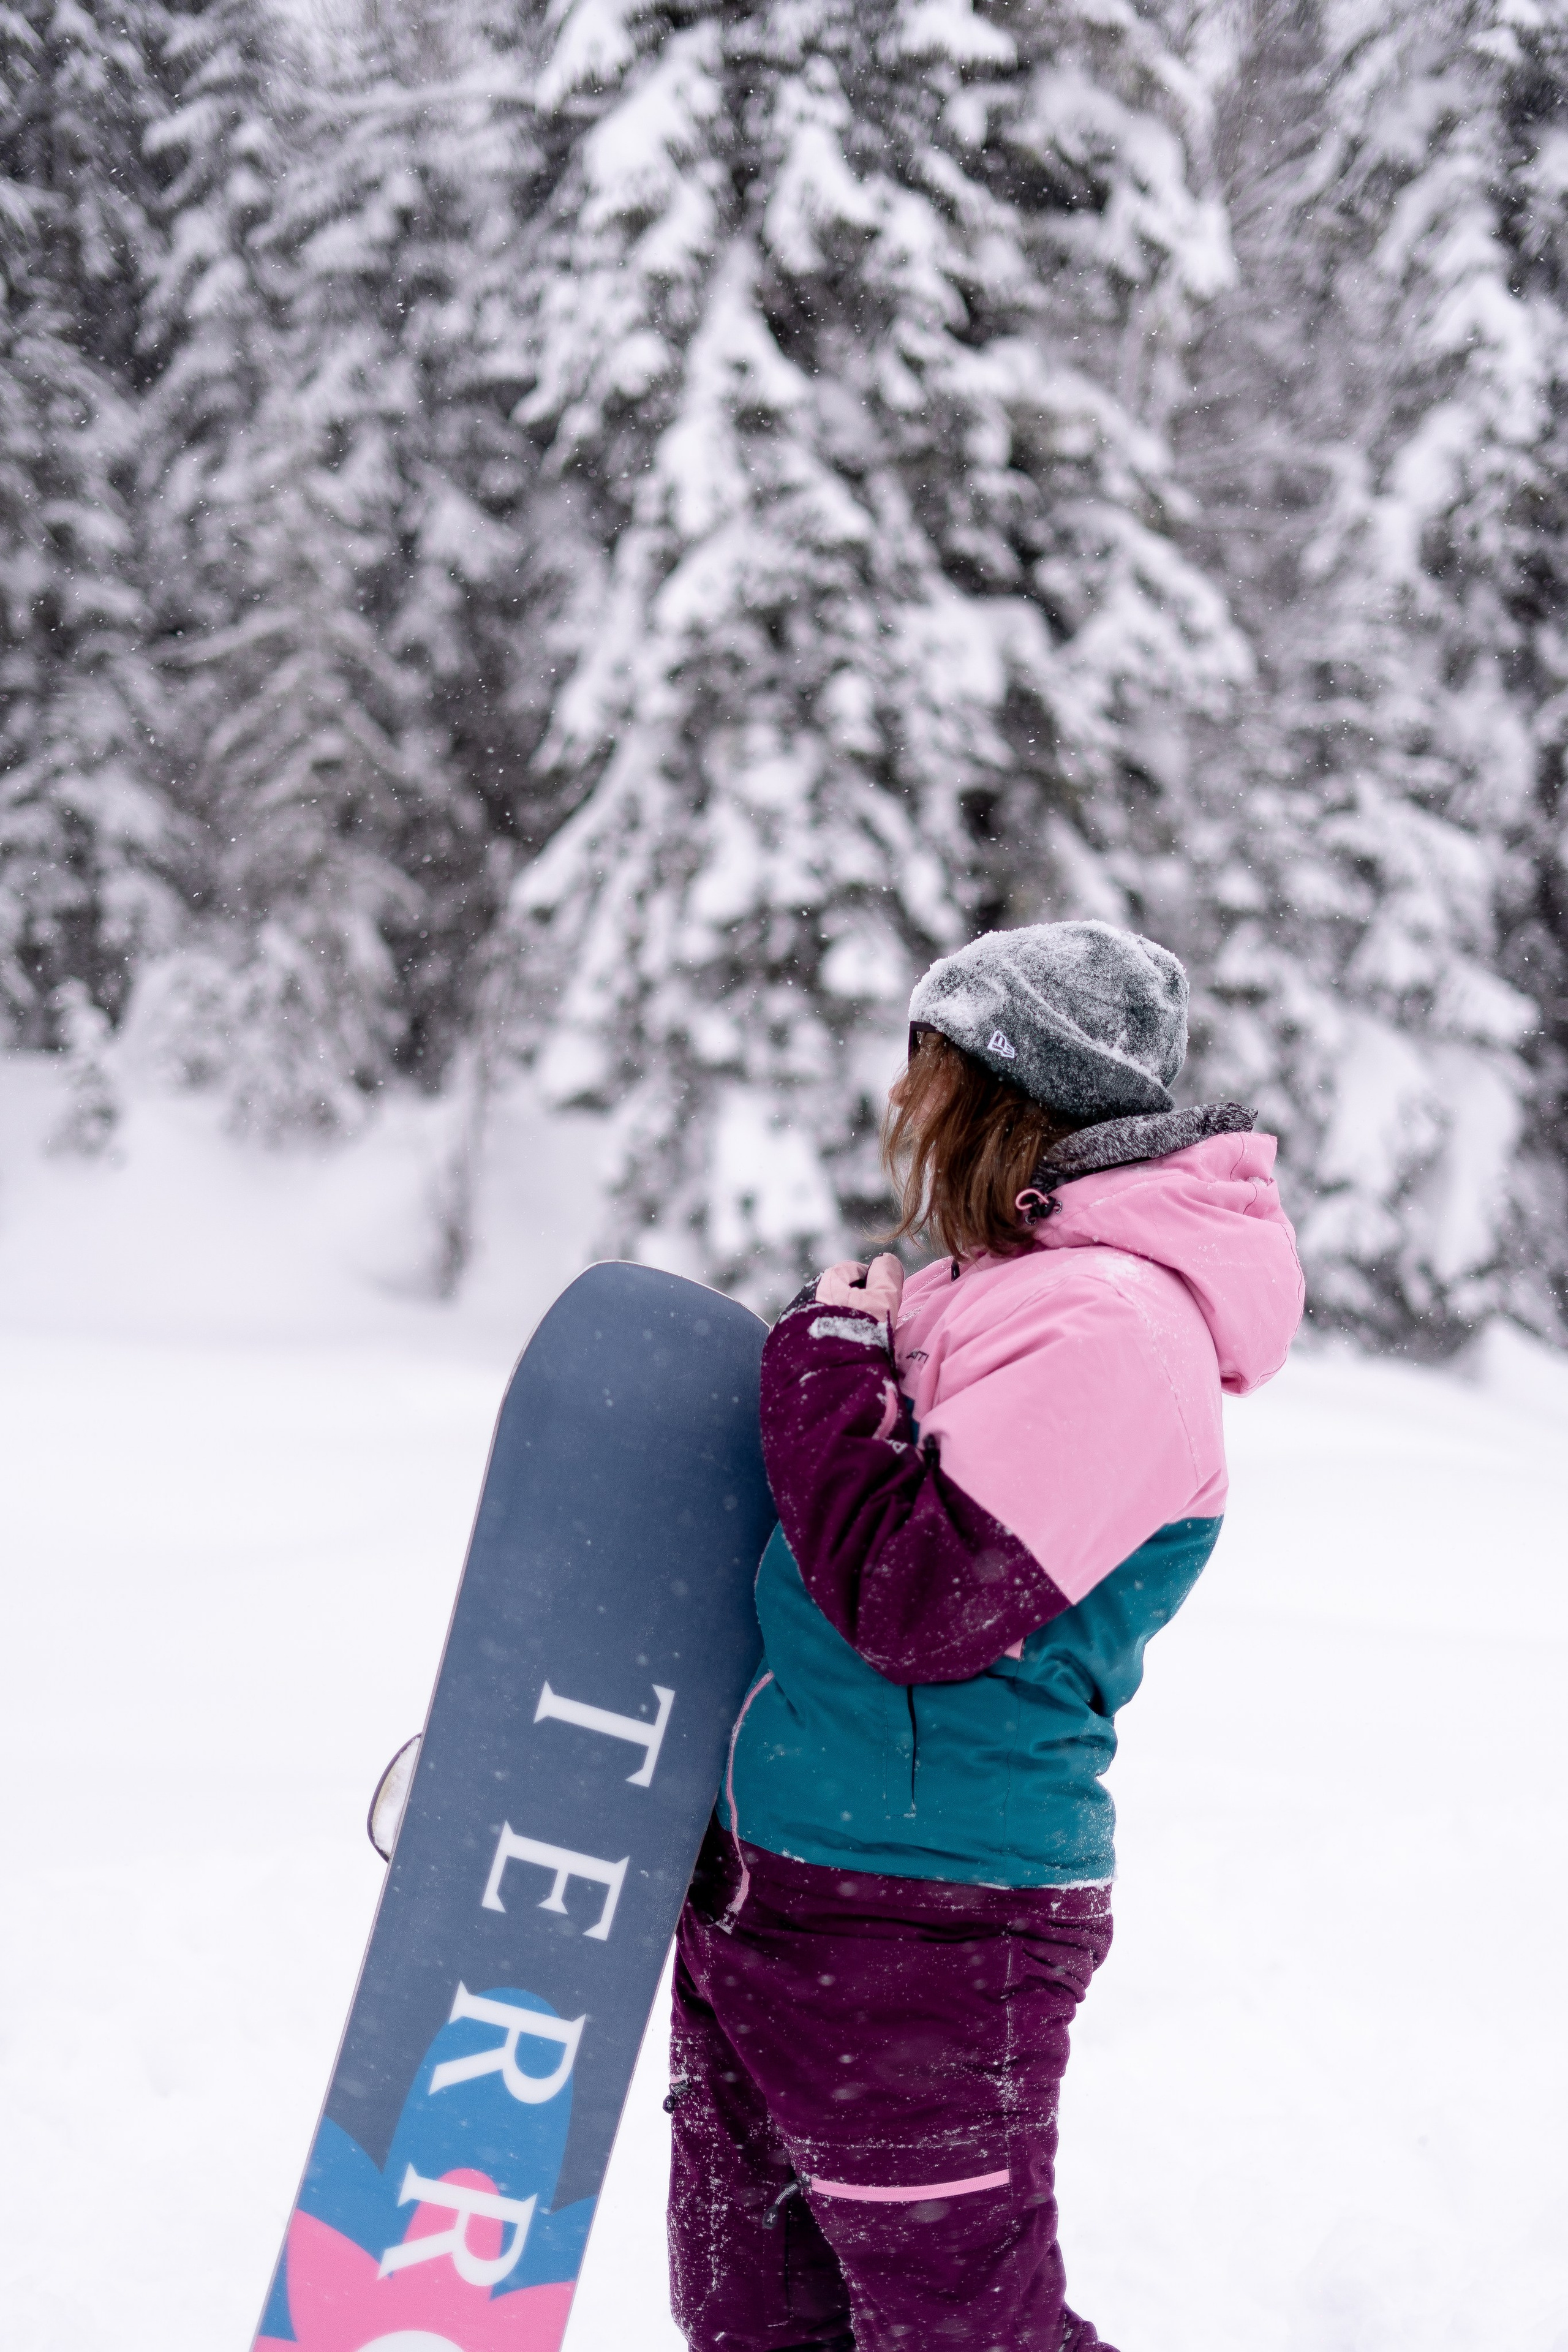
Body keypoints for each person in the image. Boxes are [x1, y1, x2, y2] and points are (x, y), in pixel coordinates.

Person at [665, 919, 1305, 2352]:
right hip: (783, 1892)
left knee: (964, 2334)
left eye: (927, 1066)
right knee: (757, 2324)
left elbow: (916, 1601)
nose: (901, 1105)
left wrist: (823, 1367)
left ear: (1001, 1089)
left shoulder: (1112, 1327)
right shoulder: (986, 1296)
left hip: (923, 1922)